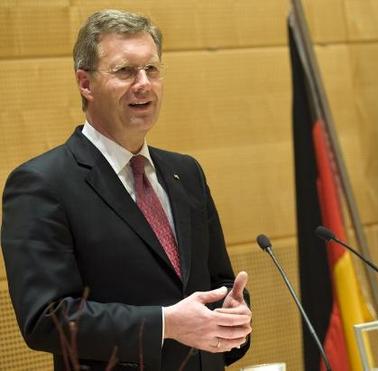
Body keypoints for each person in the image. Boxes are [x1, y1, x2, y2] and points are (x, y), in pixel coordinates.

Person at [1, 9, 251, 371]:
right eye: (125, 71)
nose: (144, 84)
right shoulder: (42, 183)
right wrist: (166, 324)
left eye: (152, 69)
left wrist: (232, 314)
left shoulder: (186, 172)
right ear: (85, 83)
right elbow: (47, 317)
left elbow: (218, 282)